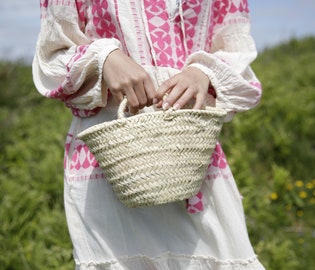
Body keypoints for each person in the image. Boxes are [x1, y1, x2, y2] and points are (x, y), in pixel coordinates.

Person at [33, 0, 265, 269]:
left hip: (192, 157)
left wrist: (203, 72)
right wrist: (104, 58)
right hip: (109, 161)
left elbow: (236, 49)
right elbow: (52, 55)